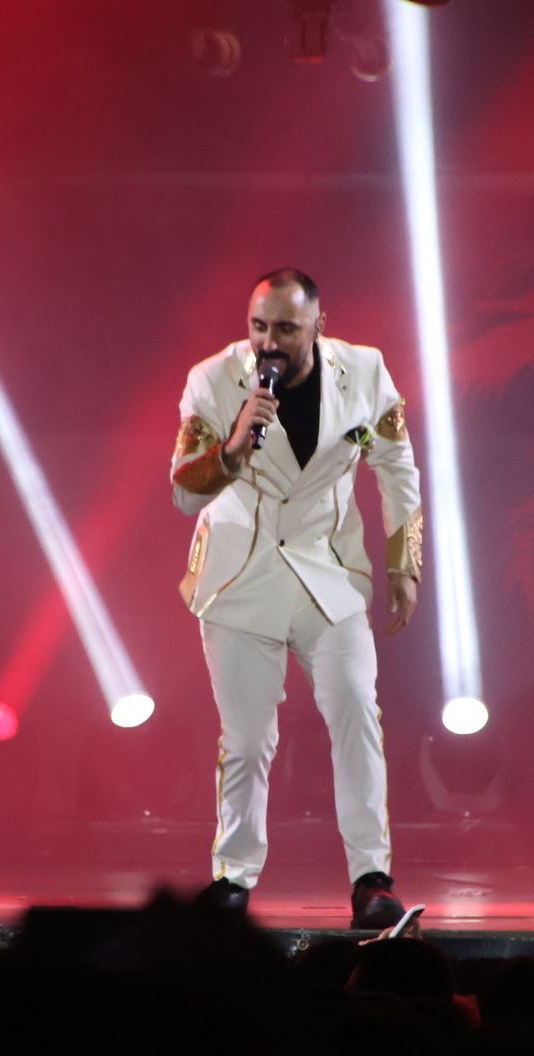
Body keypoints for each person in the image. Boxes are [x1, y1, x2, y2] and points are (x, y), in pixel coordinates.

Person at [170, 268, 423, 930]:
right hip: (240, 576)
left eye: (285, 327)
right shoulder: (213, 380)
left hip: (327, 572)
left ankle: (371, 878)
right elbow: (184, 491)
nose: (269, 342)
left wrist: (404, 563)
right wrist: (233, 446)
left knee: (356, 709)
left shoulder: (365, 373)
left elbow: (397, 465)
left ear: (318, 324)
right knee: (248, 738)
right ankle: (232, 878)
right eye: (259, 326)